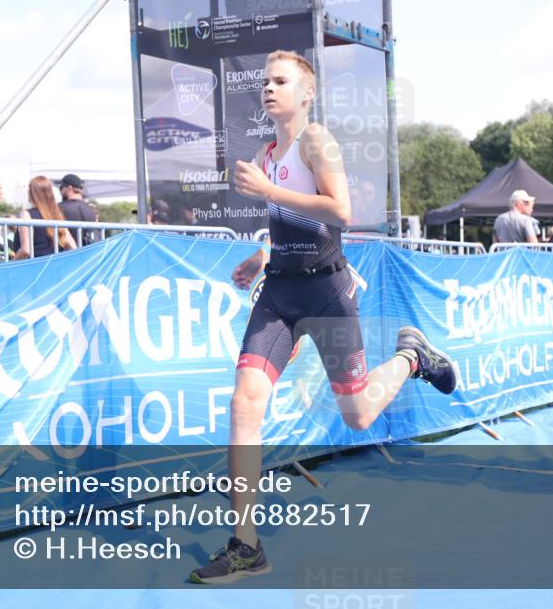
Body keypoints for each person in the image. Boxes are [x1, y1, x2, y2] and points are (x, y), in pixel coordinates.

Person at [190, 50, 460, 584]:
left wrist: (268, 192)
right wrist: (263, 255)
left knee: (357, 414)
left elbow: (340, 211)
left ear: (306, 93)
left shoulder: (318, 141)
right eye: (265, 81)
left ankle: (412, 357)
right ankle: (246, 546)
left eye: (280, 81)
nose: (269, 88)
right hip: (279, 294)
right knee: (244, 402)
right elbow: (289, 222)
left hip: (327, 294)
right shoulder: (269, 152)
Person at [15, 176, 76, 259]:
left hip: (34, 268)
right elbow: (73, 247)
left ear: (32, 192)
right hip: (55, 267)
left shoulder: (26, 215)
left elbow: (26, 250)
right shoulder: (56, 216)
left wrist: (10, 265)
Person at [57, 173, 98, 246]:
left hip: (66, 254)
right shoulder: (92, 209)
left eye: (62, 188)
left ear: (69, 188)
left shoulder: (59, 208)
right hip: (88, 253)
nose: (61, 192)